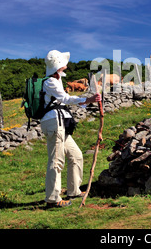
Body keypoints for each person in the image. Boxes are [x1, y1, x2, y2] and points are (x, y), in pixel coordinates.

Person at [41, 50, 101, 208]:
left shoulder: (57, 79)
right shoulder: (50, 82)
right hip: (54, 122)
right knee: (56, 160)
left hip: (59, 123)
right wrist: (87, 99)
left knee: (76, 155)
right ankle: (53, 199)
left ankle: (73, 190)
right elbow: (65, 99)